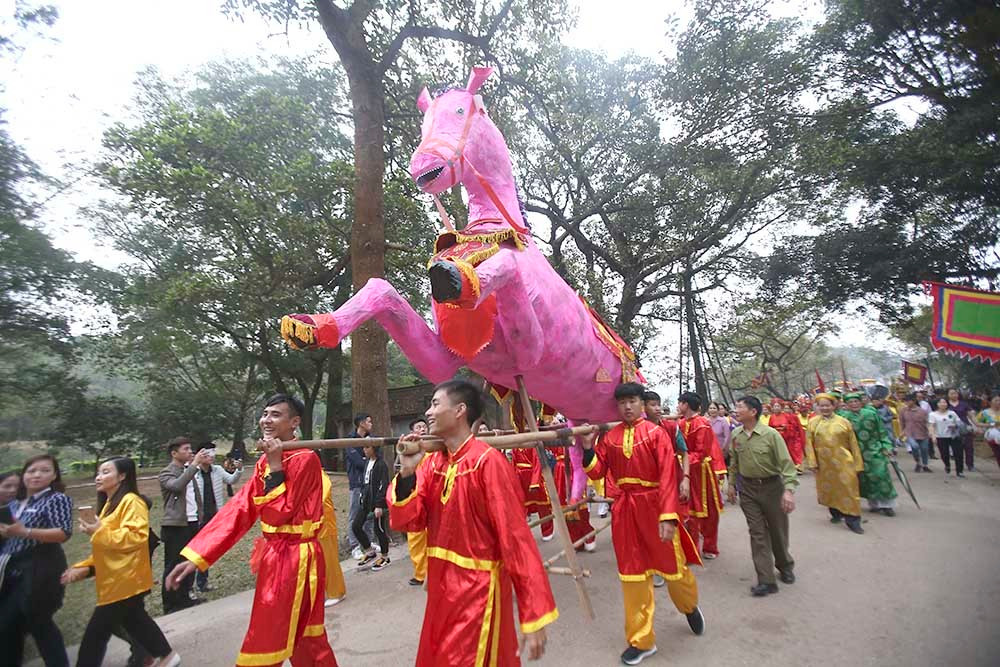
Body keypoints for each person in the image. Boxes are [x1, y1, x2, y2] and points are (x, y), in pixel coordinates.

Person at [390, 380, 557, 665]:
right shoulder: (432, 464)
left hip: (478, 591)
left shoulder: (487, 463)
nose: (428, 413)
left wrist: (533, 612)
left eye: (435, 404)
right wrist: (407, 473)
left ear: (459, 410)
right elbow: (410, 521)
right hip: (441, 590)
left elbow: (515, 539)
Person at [166, 394, 338, 667]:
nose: (266, 420)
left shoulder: (305, 460)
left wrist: (275, 466)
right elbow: (239, 509)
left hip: (295, 560)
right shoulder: (265, 462)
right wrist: (197, 556)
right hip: (276, 556)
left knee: (267, 638)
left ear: (294, 422)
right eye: (265, 413)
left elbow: (280, 511)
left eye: (275, 415)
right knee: (305, 639)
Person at [582, 383, 703, 665]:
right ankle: (641, 640)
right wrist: (588, 448)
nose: (627, 407)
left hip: (655, 506)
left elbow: (667, 476)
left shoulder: (656, 433)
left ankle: (689, 605)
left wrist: (668, 517)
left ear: (641, 403)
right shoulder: (609, 437)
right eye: (622, 402)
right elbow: (598, 470)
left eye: (632, 401)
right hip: (625, 511)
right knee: (632, 575)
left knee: (674, 568)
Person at [62, 457, 179, 667]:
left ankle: (166, 657)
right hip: (114, 579)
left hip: (125, 579)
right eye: (99, 472)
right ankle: (167, 656)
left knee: (95, 635)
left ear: (122, 476)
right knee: (135, 621)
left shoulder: (131, 501)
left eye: (106, 472)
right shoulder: (109, 505)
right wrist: (85, 568)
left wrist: (99, 530)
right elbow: (106, 548)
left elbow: (136, 537)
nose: (99, 477)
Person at [0, 455, 72, 667]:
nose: (37, 475)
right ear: (24, 475)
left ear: (54, 475)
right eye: (31, 470)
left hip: (42, 568)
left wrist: (26, 531)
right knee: (9, 626)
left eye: (44, 470)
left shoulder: (56, 499)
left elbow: (63, 532)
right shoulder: (15, 504)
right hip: (12, 569)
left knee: (39, 622)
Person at [727, 396, 798, 596]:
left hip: (772, 487)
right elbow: (734, 463)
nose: (736, 410)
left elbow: (787, 465)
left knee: (777, 530)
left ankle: (785, 565)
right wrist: (731, 485)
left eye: (740, 407)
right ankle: (766, 580)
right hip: (748, 490)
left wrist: (788, 491)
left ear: (753, 411)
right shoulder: (736, 435)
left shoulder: (771, 435)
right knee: (757, 533)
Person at [158, 437, 212, 612]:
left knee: (190, 560)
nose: (191, 452)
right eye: (186, 449)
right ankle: (170, 603)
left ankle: (185, 597)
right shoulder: (167, 473)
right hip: (175, 525)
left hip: (192, 521)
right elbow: (177, 485)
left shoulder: (189, 469)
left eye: (191, 449)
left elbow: (195, 496)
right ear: (174, 453)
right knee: (173, 564)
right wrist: (195, 464)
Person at [804, 394, 865, 534]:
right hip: (824, 464)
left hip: (844, 462)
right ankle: (836, 513)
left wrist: (858, 464)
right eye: (821, 405)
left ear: (834, 406)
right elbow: (809, 444)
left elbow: (853, 444)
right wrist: (812, 462)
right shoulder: (813, 422)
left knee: (849, 488)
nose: (825, 408)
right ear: (818, 407)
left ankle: (853, 520)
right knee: (830, 489)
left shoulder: (844, 422)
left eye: (828, 405)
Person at [677, 391, 726, 560]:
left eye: (680, 403)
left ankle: (710, 547)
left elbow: (701, 451)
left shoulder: (702, 424)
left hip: (702, 473)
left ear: (686, 405)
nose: (678, 406)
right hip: (686, 471)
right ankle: (691, 551)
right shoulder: (680, 423)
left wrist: (681, 460)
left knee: (709, 511)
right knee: (688, 511)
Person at [188, 442, 243, 592]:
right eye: (207, 454)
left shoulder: (217, 470)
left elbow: (232, 480)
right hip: (196, 517)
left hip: (213, 517)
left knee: (206, 551)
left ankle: (203, 582)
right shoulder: (192, 472)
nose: (211, 457)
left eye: (213, 453)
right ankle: (188, 587)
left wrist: (238, 470)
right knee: (192, 552)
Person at [842, 392, 898, 514]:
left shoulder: (871, 414)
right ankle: (873, 504)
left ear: (861, 402)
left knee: (881, 475)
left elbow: (881, 431)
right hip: (856, 453)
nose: (854, 404)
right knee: (864, 479)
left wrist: (886, 446)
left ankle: (887, 505)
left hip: (874, 450)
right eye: (850, 402)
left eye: (856, 401)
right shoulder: (844, 418)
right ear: (846, 405)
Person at [353, 443, 391, 571]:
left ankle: (385, 557)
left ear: (374, 448)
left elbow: (383, 484)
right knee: (356, 526)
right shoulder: (367, 462)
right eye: (363, 447)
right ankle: (369, 551)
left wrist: (379, 505)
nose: (364, 449)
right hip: (366, 500)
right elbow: (365, 482)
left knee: (379, 529)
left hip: (377, 502)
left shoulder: (381, 464)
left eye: (367, 447)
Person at [346, 413, 375, 559]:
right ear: (361, 423)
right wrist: (367, 460)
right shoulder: (350, 440)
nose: (371, 424)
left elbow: (377, 459)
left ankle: (368, 542)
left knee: (369, 515)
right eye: (369, 421)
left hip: (370, 482)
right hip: (357, 483)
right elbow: (358, 462)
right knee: (355, 514)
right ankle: (354, 545)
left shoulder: (372, 439)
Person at [406, 418, 430, 586]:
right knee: (416, 537)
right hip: (415, 496)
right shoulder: (410, 447)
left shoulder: (438, 445)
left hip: (434, 496)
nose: (422, 429)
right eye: (418, 427)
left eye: (424, 426)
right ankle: (421, 573)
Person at [319, 469, 347, 607]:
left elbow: (321, 497)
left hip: (324, 523)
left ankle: (336, 592)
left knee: (329, 558)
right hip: (313, 524)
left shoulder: (319, 475)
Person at [928, 397, 964, 477]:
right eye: (941, 402)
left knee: (958, 454)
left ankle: (959, 471)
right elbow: (931, 426)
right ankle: (947, 465)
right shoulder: (933, 414)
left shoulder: (952, 413)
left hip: (954, 436)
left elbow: (959, 422)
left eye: (945, 402)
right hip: (941, 437)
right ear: (937, 404)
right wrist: (933, 436)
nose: (943, 404)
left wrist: (955, 426)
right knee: (944, 454)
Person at [899, 394, 932, 472]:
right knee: (915, 447)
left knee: (924, 449)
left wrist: (930, 432)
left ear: (913, 401)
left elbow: (928, 422)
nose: (906, 403)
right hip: (910, 433)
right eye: (905, 401)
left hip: (922, 432)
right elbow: (902, 422)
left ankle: (925, 465)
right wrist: (902, 432)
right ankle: (918, 462)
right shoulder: (903, 411)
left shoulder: (922, 411)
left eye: (908, 401)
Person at [947, 389, 977, 472]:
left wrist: (977, 425)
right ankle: (959, 465)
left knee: (969, 447)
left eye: (955, 393)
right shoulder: (945, 405)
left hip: (965, 427)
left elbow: (971, 415)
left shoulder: (964, 404)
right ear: (948, 395)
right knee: (957, 448)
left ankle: (970, 465)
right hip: (952, 429)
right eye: (952, 393)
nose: (954, 395)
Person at [976, 394, 1000, 469]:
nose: (998, 402)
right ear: (990, 402)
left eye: (999, 400)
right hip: (992, 434)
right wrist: (989, 425)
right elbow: (977, 423)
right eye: (996, 400)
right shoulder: (984, 413)